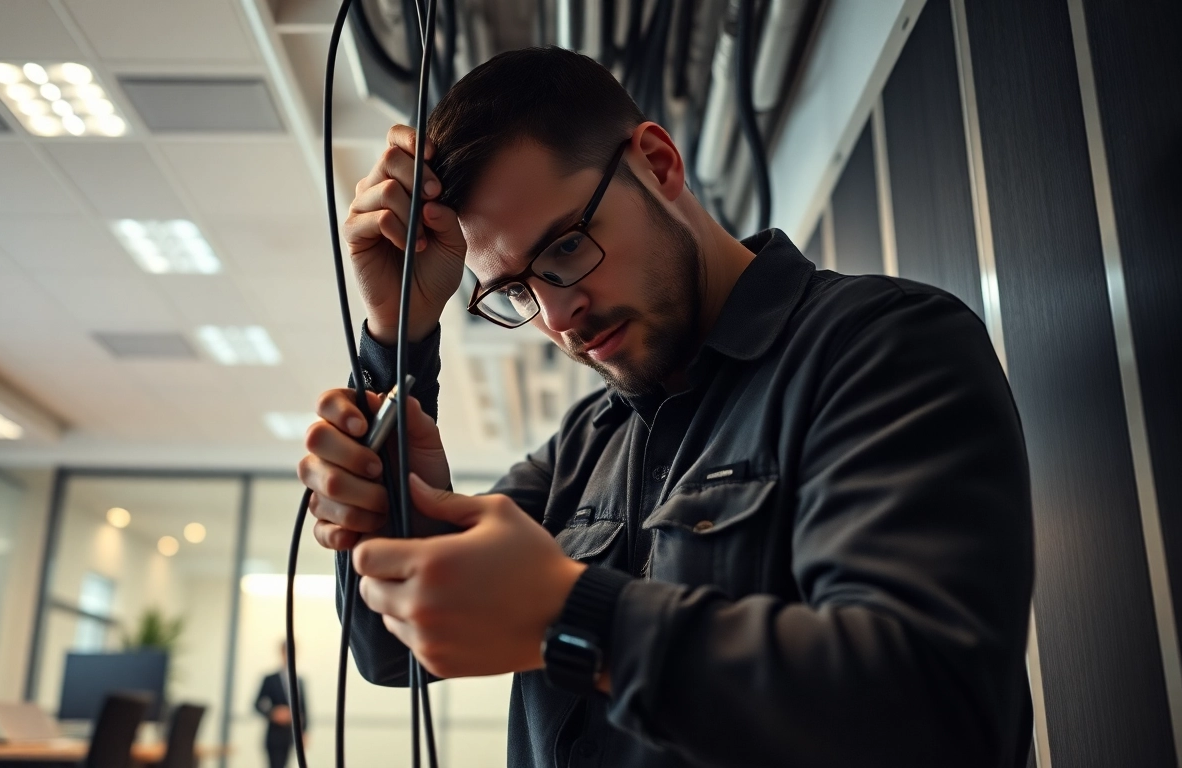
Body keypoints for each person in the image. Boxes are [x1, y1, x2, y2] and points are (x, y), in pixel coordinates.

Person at [298, 47, 1034, 767]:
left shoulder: (880, 348)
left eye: (565, 248)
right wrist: (400, 337)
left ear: (657, 162)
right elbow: (390, 649)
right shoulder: (588, 443)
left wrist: (573, 615)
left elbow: (937, 711)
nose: (557, 316)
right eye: (518, 291)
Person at [255, 641, 306, 768]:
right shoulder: (270, 679)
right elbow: (258, 703)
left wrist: (304, 731)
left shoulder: (299, 680)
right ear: (282, 653)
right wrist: (273, 712)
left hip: (290, 735)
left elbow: (304, 709)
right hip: (274, 735)